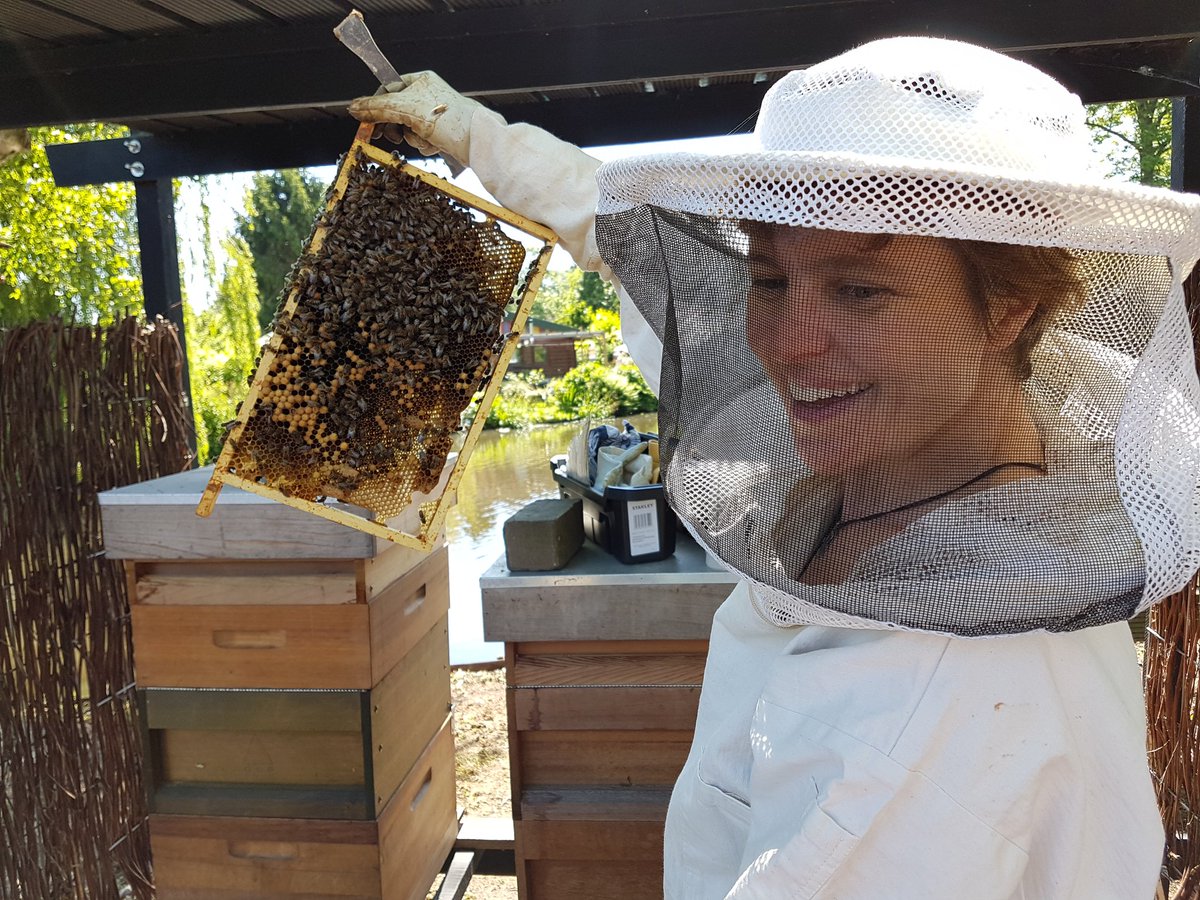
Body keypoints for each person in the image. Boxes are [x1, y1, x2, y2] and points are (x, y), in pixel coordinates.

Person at [352, 37, 1200, 899]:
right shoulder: (917, 429)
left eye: (861, 292)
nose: (787, 347)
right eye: (768, 277)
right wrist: (478, 137)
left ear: (1009, 308)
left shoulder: (935, 712)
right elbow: (612, 241)